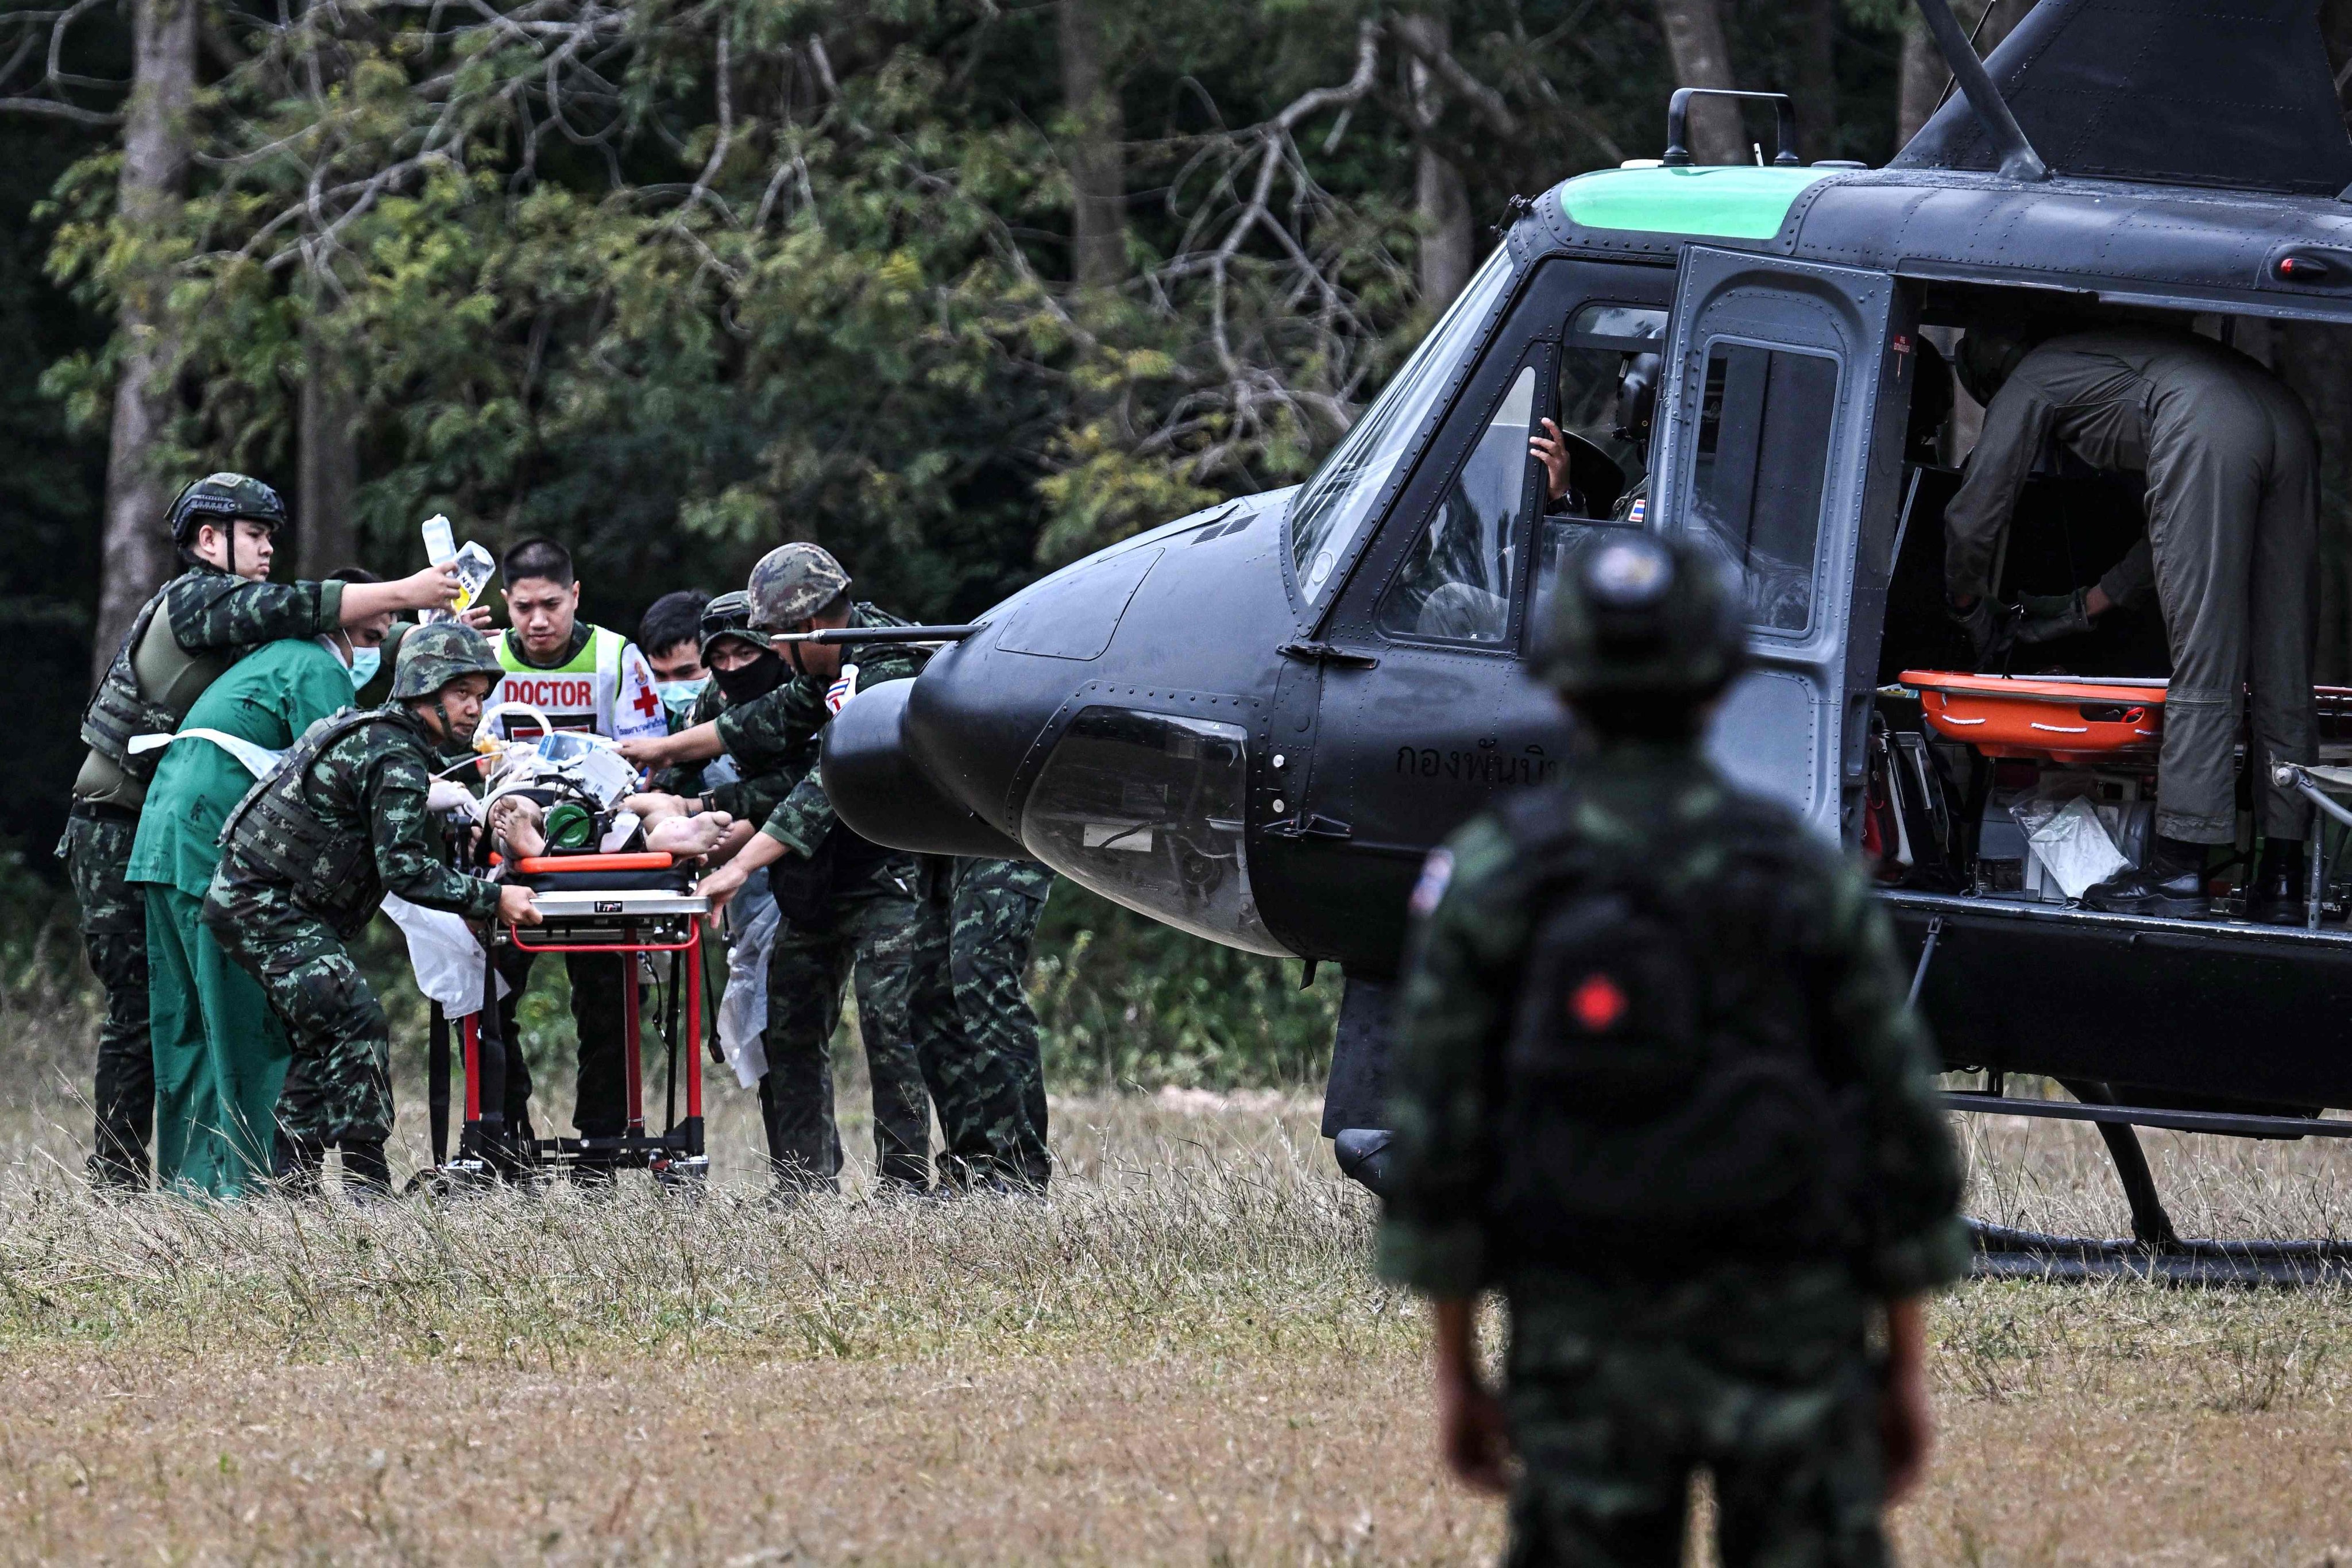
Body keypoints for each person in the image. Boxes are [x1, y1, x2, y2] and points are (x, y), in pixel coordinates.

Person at [1380, 532, 1967, 1566]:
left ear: (1562, 684)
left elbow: (1439, 1142)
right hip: (1793, 1342)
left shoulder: (1494, 876)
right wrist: (1903, 1367)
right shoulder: (1799, 869)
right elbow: (1897, 1122)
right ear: (1719, 682)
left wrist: (1460, 1374)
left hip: (1583, 1349)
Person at [62, 472, 463, 1189]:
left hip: (159, 821)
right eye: (257, 534)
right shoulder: (197, 597)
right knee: (146, 1015)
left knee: (171, 1014)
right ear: (208, 540)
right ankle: (116, 1183)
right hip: (118, 821)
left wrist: (446, 645)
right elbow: (308, 614)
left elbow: (338, 642)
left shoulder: (254, 626)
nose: (270, 548)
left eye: (273, 535)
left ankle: (170, 1184)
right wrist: (410, 589)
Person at [1942, 323, 2320, 922]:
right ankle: (2284, 875)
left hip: (2206, 418)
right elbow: (2174, 529)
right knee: (2284, 658)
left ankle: (2178, 873)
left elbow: (1977, 506)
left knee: (2206, 656)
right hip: (2285, 419)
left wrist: (1965, 601)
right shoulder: (2103, 352)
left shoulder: (2032, 374)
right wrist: (2084, 607)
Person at [204, 623, 540, 1197]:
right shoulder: (393, 751)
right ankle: (366, 1184)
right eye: (462, 692)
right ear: (423, 689)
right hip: (267, 907)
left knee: (322, 1035)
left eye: (480, 695)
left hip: (261, 904)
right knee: (356, 1020)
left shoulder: (381, 737)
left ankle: (290, 1188)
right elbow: (405, 870)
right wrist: (495, 899)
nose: (473, 708)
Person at [693, 544, 961, 1193]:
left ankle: (904, 1185)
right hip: (816, 883)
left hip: (886, 876)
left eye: (779, 642)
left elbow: (825, 786)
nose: (773, 658)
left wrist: (736, 869)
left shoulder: (885, 663)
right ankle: (803, 1183)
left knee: (890, 1027)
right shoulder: (812, 675)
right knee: (788, 1021)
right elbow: (745, 733)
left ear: (812, 626)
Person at [126, 567, 399, 1197]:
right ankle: (253, 1189)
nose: (371, 651)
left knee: (185, 1026)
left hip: (162, 842)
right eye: (371, 633)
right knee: (249, 1022)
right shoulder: (316, 666)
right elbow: (346, 776)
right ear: (339, 623)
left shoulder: (272, 656)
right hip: (210, 854)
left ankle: (191, 1191)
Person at [481, 536, 666, 1175]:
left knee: (608, 998)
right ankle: (507, 1139)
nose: (537, 621)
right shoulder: (484, 662)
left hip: (603, 856)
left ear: (575, 596)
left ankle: (602, 1148)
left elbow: (647, 761)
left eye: (551, 605)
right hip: (508, 862)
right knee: (490, 997)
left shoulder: (618, 659)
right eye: (524, 606)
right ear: (506, 602)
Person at [638, 588, 710, 730]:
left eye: (685, 673)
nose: (673, 687)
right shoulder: (654, 722)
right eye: (661, 675)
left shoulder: (748, 713)